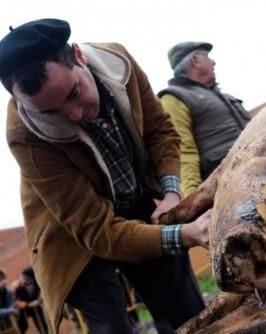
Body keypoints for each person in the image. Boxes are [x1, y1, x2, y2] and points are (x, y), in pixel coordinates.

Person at [0, 19, 209, 334]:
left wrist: (170, 193)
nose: (73, 115)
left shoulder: (118, 63)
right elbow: (96, 230)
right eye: (50, 113)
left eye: (73, 93)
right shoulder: (23, 133)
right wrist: (185, 234)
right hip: (73, 235)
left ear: (78, 56)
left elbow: (161, 134)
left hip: (138, 204)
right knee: (110, 325)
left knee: (189, 316)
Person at [157, 42, 250, 196]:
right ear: (195, 60)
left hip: (256, 170)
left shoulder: (223, 96)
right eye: (207, 56)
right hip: (230, 185)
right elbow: (183, 152)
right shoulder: (173, 99)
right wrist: (192, 198)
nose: (213, 62)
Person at [14, 267, 48, 334]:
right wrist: (27, 305)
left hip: (35, 307)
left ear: (32, 278)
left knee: (41, 323)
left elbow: (43, 294)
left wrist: (39, 301)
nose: (23, 280)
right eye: (22, 277)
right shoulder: (17, 286)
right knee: (22, 326)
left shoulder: (37, 283)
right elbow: (14, 300)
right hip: (23, 310)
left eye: (25, 278)